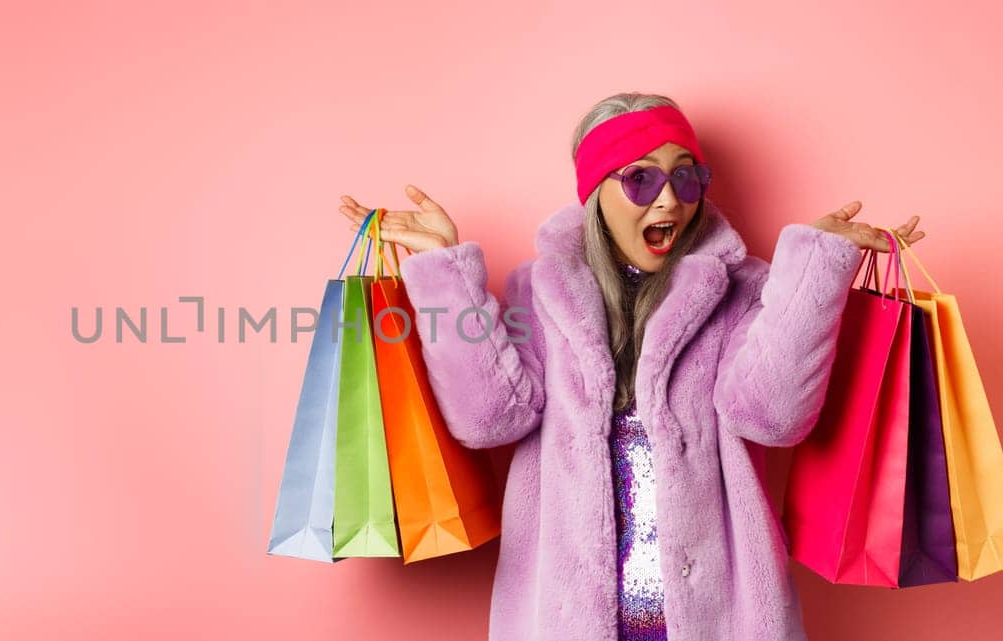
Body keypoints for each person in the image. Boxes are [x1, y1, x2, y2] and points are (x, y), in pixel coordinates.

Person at [337, 92, 925, 641]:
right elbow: (489, 420)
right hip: (565, 618)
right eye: (640, 179)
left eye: (686, 175)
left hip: (719, 617)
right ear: (596, 193)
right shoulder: (538, 294)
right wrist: (442, 273)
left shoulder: (744, 289)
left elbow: (772, 418)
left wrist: (813, 271)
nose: (669, 198)